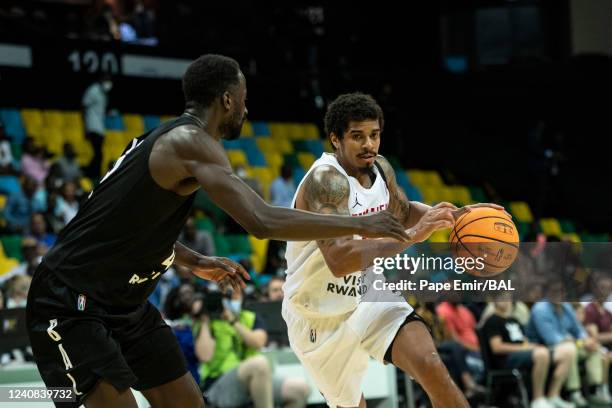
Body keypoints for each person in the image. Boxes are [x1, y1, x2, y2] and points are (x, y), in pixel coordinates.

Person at [26, 55, 408, 408]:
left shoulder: (173, 141)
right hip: (70, 301)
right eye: (243, 99)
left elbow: (128, 229)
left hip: (125, 305)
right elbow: (261, 221)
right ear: (227, 100)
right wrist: (360, 222)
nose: (246, 108)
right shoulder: (190, 142)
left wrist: (193, 260)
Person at [282, 92, 505, 408]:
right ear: (335, 139)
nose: (369, 145)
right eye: (357, 137)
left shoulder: (380, 169)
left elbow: (402, 210)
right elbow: (340, 260)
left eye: (374, 135)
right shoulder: (325, 181)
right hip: (317, 312)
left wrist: (457, 219)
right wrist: (413, 236)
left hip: (367, 293)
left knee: (430, 365)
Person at [195, 290, 310, 408]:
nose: (229, 299)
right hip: (218, 383)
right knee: (259, 364)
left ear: (242, 296)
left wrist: (233, 321)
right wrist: (204, 320)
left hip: (256, 378)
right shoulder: (206, 322)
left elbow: (258, 342)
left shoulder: (250, 317)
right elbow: (205, 356)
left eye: (233, 294)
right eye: (225, 296)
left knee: (299, 389)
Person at [527, 281, 611, 407]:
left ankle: (595, 388)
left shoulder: (566, 307)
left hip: (568, 344)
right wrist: (580, 342)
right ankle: (574, 392)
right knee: (570, 349)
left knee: (593, 347)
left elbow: (579, 330)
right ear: (547, 292)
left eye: (561, 291)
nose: (559, 294)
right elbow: (552, 339)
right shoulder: (540, 309)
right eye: (554, 291)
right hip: (542, 348)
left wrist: (586, 340)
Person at [482, 300, 575, 408]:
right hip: (506, 359)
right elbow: (496, 348)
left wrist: (531, 346)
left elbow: (524, 340)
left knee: (567, 353)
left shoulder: (514, 320)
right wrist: (524, 348)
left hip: (524, 353)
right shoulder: (492, 320)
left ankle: (553, 396)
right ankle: (538, 400)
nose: (506, 301)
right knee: (541, 354)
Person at [82, 74, 112, 178]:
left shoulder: (104, 95)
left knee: (99, 155)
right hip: (92, 126)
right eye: (106, 80)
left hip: (100, 128)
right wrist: (85, 127)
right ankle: (90, 174)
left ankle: (93, 174)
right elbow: (84, 107)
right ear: (101, 80)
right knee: (98, 155)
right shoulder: (93, 90)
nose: (109, 83)